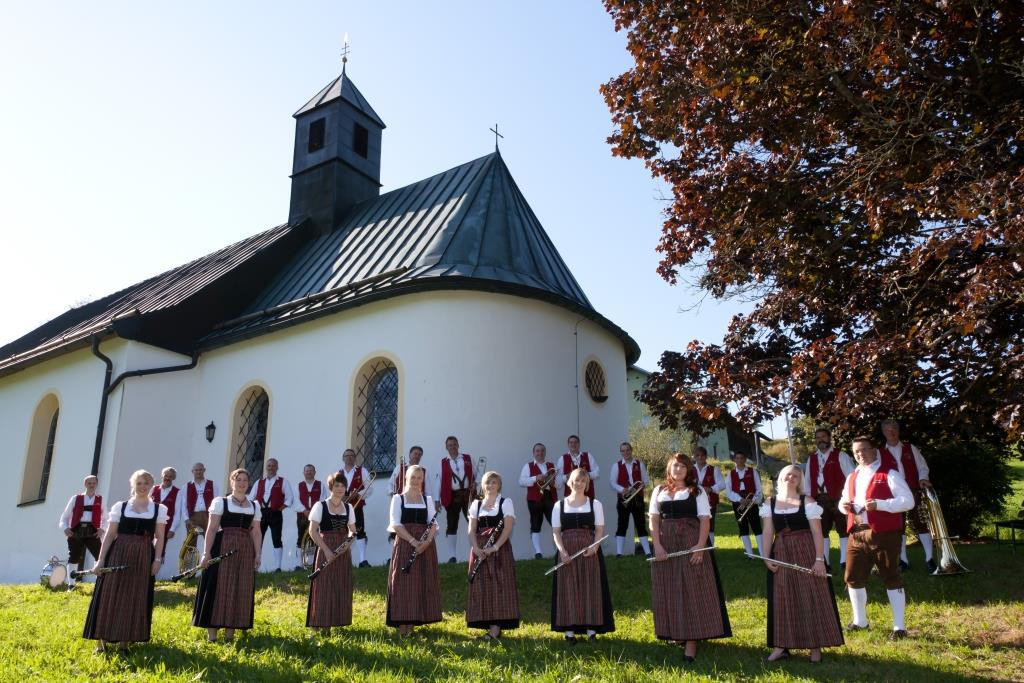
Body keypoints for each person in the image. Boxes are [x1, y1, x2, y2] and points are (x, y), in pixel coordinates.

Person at [650, 453, 731, 661]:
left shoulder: (698, 491)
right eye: (675, 466)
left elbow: (705, 520)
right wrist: (657, 546)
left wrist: (700, 547)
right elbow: (654, 521)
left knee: (692, 589)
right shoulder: (658, 491)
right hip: (667, 544)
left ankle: (692, 640)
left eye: (683, 467)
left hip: (691, 541)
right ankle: (676, 631)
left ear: (688, 470)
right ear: (669, 468)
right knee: (670, 587)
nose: (678, 470)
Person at [760, 465, 844, 663]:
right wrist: (766, 557)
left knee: (810, 595)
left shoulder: (808, 501)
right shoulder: (770, 502)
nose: (791, 477)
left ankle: (815, 646)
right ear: (781, 477)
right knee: (782, 597)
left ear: (801, 480)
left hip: (805, 551)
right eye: (788, 474)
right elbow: (767, 532)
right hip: (781, 552)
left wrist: (819, 560)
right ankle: (781, 646)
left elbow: (817, 533)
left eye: (796, 475)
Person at [839, 435, 914, 639]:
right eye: (856, 452)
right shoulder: (851, 477)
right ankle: (860, 622)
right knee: (852, 577)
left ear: (874, 451)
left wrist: (880, 505)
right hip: (856, 532)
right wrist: (844, 507)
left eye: (864, 450)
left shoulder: (889, 474)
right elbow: (843, 500)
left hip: (884, 534)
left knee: (891, 576)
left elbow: (908, 501)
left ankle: (899, 627)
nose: (860, 454)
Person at [83, 469, 167, 653]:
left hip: (144, 555)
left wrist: (158, 559)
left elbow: (160, 537)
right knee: (110, 592)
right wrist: (100, 560)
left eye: (146, 483)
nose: (142, 486)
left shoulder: (159, 509)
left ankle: (124, 642)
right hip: (119, 552)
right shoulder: (120, 507)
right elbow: (111, 534)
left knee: (135, 594)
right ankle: (101, 641)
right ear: (133, 485)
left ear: (151, 485)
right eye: (139, 483)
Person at [193, 468, 264, 643]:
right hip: (222, 546)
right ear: (232, 482)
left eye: (245, 480)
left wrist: (258, 554)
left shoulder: (254, 505)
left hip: (245, 550)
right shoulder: (220, 502)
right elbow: (211, 529)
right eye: (238, 480)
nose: (241, 483)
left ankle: (230, 634)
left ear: (248, 483)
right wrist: (206, 553)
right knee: (218, 585)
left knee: (239, 587)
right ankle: (212, 635)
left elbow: (256, 532)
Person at [551, 468, 614, 643]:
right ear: (569, 482)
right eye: (576, 480)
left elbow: (600, 530)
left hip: (589, 550)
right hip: (567, 550)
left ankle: (591, 630)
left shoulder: (595, 504)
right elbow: (556, 532)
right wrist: (562, 552)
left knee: (590, 588)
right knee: (568, 588)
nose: (579, 483)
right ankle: (569, 632)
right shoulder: (559, 505)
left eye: (583, 481)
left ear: (587, 484)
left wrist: (594, 547)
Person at [386, 465, 441, 636]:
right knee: (404, 584)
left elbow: (433, 524)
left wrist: (426, 542)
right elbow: (395, 524)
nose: (416, 481)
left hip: (425, 546)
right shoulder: (398, 499)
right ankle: (403, 625)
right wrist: (413, 541)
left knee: (420, 583)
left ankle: (414, 622)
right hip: (404, 543)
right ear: (406, 479)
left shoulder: (428, 499)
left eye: (419, 477)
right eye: (413, 477)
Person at [466, 471, 520, 640]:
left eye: (494, 483)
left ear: (499, 485)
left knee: (499, 586)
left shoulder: (506, 502)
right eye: (488, 483)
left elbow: (508, 528)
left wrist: (495, 547)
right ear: (483, 485)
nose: (490, 486)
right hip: (480, 550)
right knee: (482, 586)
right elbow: (471, 529)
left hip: (499, 550)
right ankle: (488, 626)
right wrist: (475, 548)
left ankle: (496, 630)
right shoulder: (476, 504)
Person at [879, 419, 935, 572]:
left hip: (914, 490)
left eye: (894, 428)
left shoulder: (911, 448)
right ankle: (903, 561)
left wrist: (923, 478)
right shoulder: (878, 453)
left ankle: (930, 559)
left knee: (921, 523)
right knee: (899, 527)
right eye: (888, 429)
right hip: (893, 494)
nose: (892, 432)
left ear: (898, 430)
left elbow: (922, 467)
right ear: (883, 432)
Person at [306, 470, 357, 634]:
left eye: (342, 486)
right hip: (325, 547)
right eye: (336, 485)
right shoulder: (320, 506)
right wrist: (327, 550)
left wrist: (347, 544)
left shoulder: (349, 507)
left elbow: (353, 532)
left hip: (342, 551)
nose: (340, 489)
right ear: (331, 487)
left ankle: (334, 622)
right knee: (324, 586)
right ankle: (318, 624)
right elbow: (313, 531)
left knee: (339, 585)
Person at [803, 428, 855, 571]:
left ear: (829, 438)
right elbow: (807, 480)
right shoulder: (811, 458)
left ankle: (844, 561)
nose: (821, 440)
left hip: (839, 498)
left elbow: (852, 477)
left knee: (843, 530)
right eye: (818, 437)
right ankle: (825, 562)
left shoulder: (841, 455)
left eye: (824, 436)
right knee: (821, 530)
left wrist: (848, 497)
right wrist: (809, 499)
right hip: (819, 499)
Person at [249, 458, 293, 572]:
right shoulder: (259, 482)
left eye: (273, 466)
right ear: (266, 467)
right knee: (258, 538)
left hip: (275, 513)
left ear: (277, 467)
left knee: (276, 538)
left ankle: (277, 566)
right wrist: (254, 510)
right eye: (269, 466)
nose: (271, 468)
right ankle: (255, 566)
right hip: (260, 514)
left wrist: (280, 509)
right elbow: (250, 498)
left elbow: (290, 498)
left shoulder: (283, 481)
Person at [59, 475, 107, 577]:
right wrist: (65, 528)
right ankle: (71, 584)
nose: (91, 485)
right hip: (76, 531)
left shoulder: (100, 500)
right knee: (74, 557)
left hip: (93, 531)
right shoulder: (76, 498)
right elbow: (64, 517)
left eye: (94, 483)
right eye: (89, 483)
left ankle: (97, 582)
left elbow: (106, 518)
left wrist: (102, 529)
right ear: (85, 484)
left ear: (96, 484)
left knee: (99, 555)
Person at [609, 441, 652, 557]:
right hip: (624, 498)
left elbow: (646, 480)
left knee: (641, 524)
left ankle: (648, 552)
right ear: (621, 452)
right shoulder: (616, 465)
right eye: (623, 450)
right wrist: (622, 489)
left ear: (631, 450)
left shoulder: (639, 464)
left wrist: (643, 484)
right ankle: (619, 553)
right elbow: (612, 482)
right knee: (622, 524)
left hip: (637, 498)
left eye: (627, 450)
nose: (626, 452)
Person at [438, 436, 476, 564]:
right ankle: (452, 556)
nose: (452, 446)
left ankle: (476, 551)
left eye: (454, 444)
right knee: (452, 525)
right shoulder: (443, 462)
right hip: (452, 496)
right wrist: (437, 500)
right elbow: (440, 482)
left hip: (468, 495)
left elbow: (477, 474)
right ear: (446, 447)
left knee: (473, 522)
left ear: (458, 445)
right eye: (450, 445)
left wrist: (477, 484)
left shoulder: (468, 458)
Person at [518, 442, 557, 559]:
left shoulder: (551, 465)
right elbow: (521, 481)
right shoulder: (528, 466)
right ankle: (538, 552)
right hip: (534, 499)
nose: (540, 453)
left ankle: (559, 550)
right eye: (537, 451)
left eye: (542, 451)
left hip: (549, 496)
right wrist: (536, 478)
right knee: (535, 524)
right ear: (534, 453)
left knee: (555, 523)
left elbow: (558, 484)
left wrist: (552, 482)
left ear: (545, 452)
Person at [340, 449, 374, 567]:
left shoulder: (362, 470)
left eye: (351, 456)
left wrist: (358, 494)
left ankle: (362, 560)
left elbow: (369, 488)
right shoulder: (338, 473)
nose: (349, 458)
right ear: (343, 458)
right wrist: (341, 497)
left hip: (357, 506)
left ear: (355, 458)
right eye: (347, 456)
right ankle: (343, 560)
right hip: (342, 508)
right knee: (342, 533)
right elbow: (333, 489)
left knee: (359, 531)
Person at [725, 451, 763, 557]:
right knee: (743, 527)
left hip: (751, 501)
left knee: (757, 527)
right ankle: (749, 554)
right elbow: (728, 491)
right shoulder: (730, 474)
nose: (740, 460)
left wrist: (753, 500)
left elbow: (759, 489)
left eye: (742, 458)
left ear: (745, 459)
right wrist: (740, 499)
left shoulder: (753, 471)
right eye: (737, 458)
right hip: (738, 502)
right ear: (734, 460)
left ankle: (763, 553)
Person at [183, 463, 218, 560]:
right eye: (196, 470)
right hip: (193, 517)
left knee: (211, 543)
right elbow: (184, 504)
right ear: (192, 471)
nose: (198, 471)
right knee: (191, 545)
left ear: (204, 470)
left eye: (200, 469)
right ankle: (190, 571)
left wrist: (215, 519)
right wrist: (187, 519)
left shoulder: (212, 484)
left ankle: (209, 569)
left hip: (208, 516)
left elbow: (216, 502)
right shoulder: (186, 486)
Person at [693, 447, 725, 544]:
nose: (700, 457)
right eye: (697, 455)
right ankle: (697, 547)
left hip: (710, 502)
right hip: (693, 502)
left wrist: (711, 488)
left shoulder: (714, 469)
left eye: (702, 455)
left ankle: (710, 551)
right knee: (695, 526)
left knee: (710, 526)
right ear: (694, 456)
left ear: (706, 456)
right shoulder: (689, 469)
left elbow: (722, 484)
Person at [151, 467, 183, 560]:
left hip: (166, 527)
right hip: (151, 524)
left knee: (159, 551)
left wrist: (172, 529)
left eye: (170, 476)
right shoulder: (154, 489)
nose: (167, 478)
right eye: (166, 475)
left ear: (174, 478)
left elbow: (177, 513)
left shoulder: (178, 492)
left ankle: (154, 572)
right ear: (162, 476)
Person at [295, 464, 323, 569]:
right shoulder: (298, 486)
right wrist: (304, 510)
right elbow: (295, 501)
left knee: (313, 538)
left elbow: (322, 500)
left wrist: (314, 511)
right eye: (307, 471)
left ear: (315, 472)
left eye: (311, 471)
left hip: (315, 518)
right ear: (304, 473)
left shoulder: (321, 485)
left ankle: (310, 563)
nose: (309, 472)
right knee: (300, 538)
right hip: (302, 516)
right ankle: (299, 564)